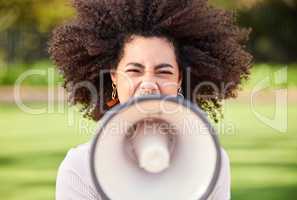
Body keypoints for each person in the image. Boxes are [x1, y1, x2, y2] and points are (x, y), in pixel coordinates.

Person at [48, 0, 253, 199]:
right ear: (114, 77)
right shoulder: (79, 169)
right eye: (134, 70)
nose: (149, 84)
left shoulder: (212, 163)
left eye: (163, 72)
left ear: (179, 79)